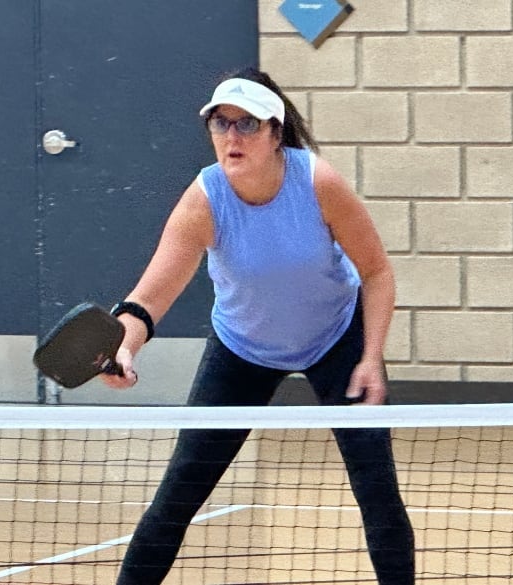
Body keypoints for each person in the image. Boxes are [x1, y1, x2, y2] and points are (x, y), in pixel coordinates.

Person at [100, 67, 415, 585]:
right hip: (241, 349)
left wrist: (371, 356)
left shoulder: (318, 183)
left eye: (247, 124)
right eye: (221, 124)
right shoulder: (203, 199)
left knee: (376, 488)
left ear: (275, 132)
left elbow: (377, 272)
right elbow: (148, 299)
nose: (232, 137)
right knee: (181, 488)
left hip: (335, 340)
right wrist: (125, 348)